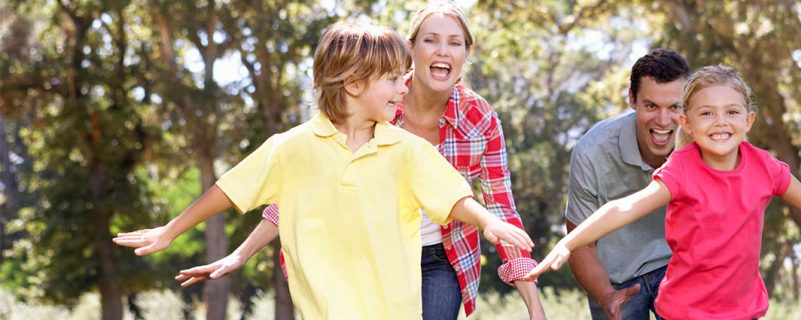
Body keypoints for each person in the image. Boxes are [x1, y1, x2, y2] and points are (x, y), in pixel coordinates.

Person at [113, 20, 534, 319]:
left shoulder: (405, 149)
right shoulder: (291, 148)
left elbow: (453, 196)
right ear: (353, 85)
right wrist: (171, 229)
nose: (404, 86)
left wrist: (487, 223)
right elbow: (230, 190)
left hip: (397, 310)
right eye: (392, 78)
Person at [526, 64, 801, 320]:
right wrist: (570, 243)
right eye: (706, 113)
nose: (720, 122)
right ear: (687, 123)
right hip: (685, 313)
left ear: (748, 120)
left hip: (743, 311)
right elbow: (624, 208)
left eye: (731, 112)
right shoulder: (682, 169)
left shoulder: (765, 167)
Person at [563, 48, 689, 320]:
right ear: (632, 99)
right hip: (615, 278)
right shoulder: (591, 151)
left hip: (679, 269)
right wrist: (606, 295)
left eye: (675, 107)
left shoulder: (703, 145)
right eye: (651, 106)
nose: (664, 121)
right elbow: (580, 243)